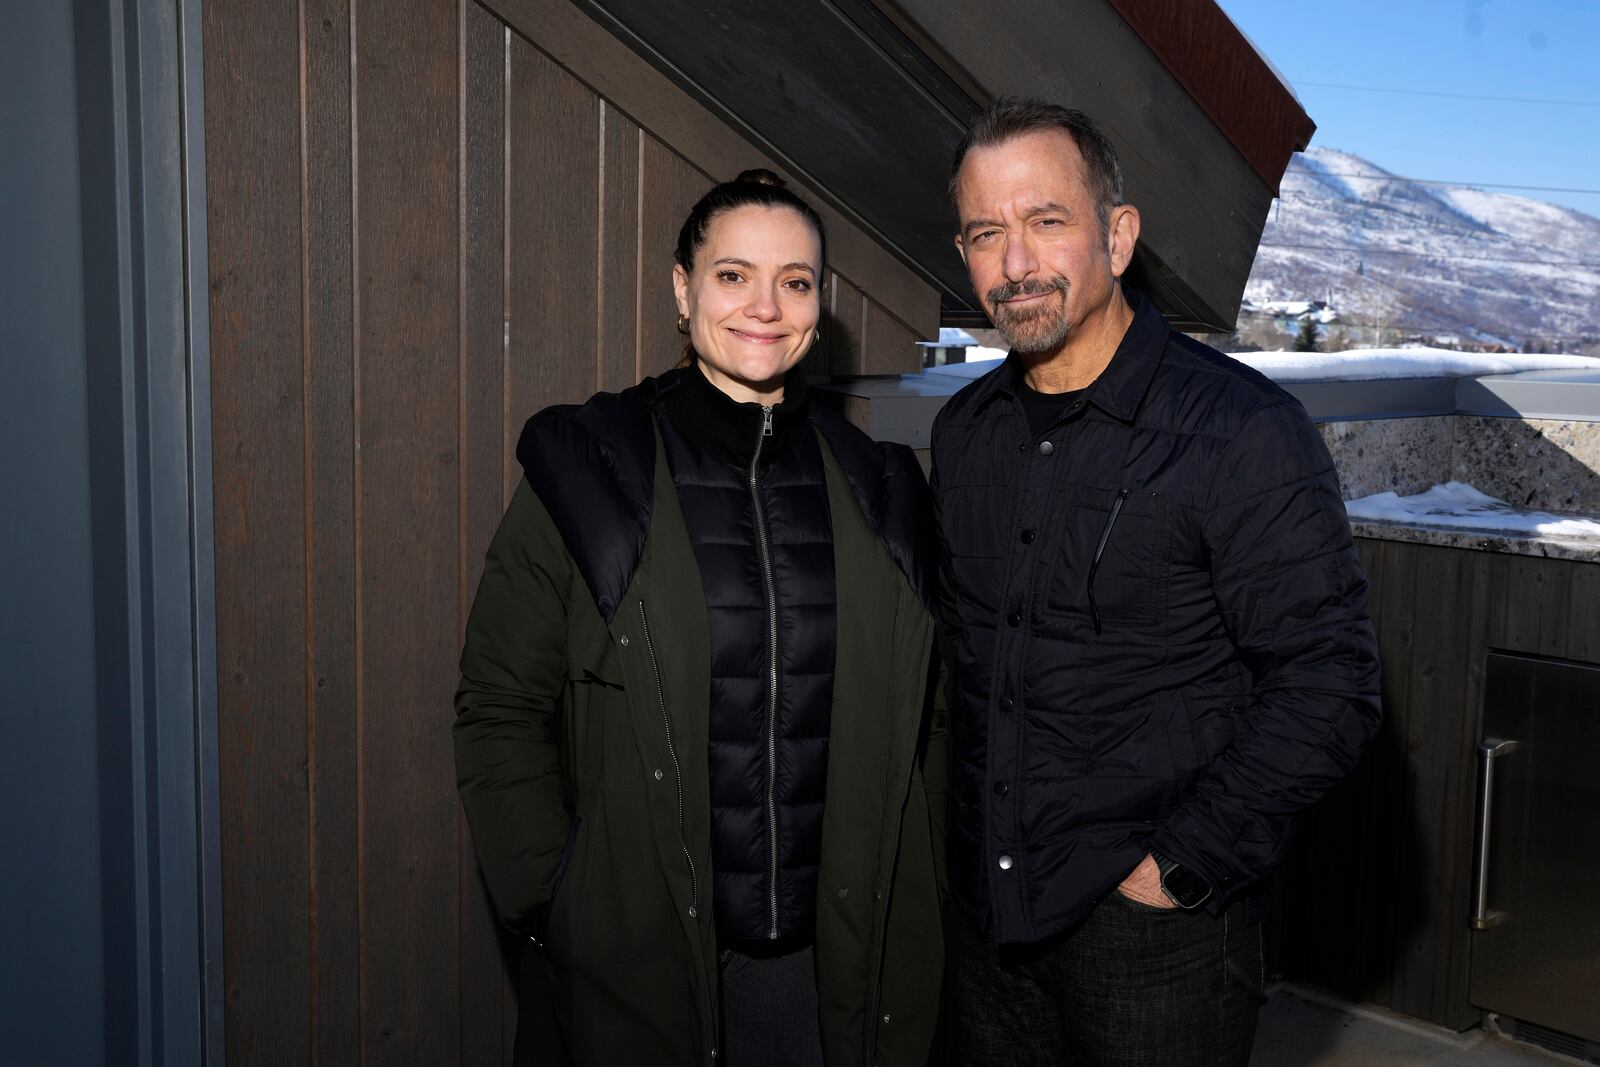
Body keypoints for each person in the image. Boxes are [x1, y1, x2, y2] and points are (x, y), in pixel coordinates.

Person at [453, 170, 945, 1067]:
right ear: (683, 288)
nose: (765, 305)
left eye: (794, 281)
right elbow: (498, 703)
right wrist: (556, 899)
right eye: (733, 274)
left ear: (818, 305)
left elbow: (930, 726)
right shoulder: (589, 473)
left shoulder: (878, 487)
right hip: (644, 965)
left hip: (827, 969)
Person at [931, 98, 1382, 1065]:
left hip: (1156, 942)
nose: (1015, 264)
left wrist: (1174, 871)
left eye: (1046, 222)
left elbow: (1330, 683)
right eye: (985, 233)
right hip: (986, 928)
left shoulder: (1241, 431)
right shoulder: (963, 434)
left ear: (1118, 235)